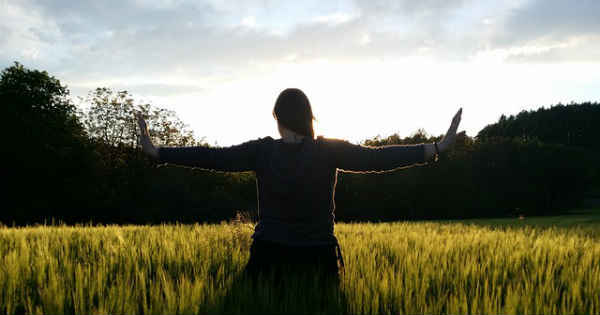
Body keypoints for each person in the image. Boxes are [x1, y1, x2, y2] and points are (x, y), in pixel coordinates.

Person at [136, 88, 462, 285]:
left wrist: (159, 152)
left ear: (277, 117)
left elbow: (212, 158)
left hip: (269, 257)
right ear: (309, 117)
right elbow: (377, 159)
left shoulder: (262, 151)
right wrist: (433, 149)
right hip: (318, 257)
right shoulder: (328, 150)